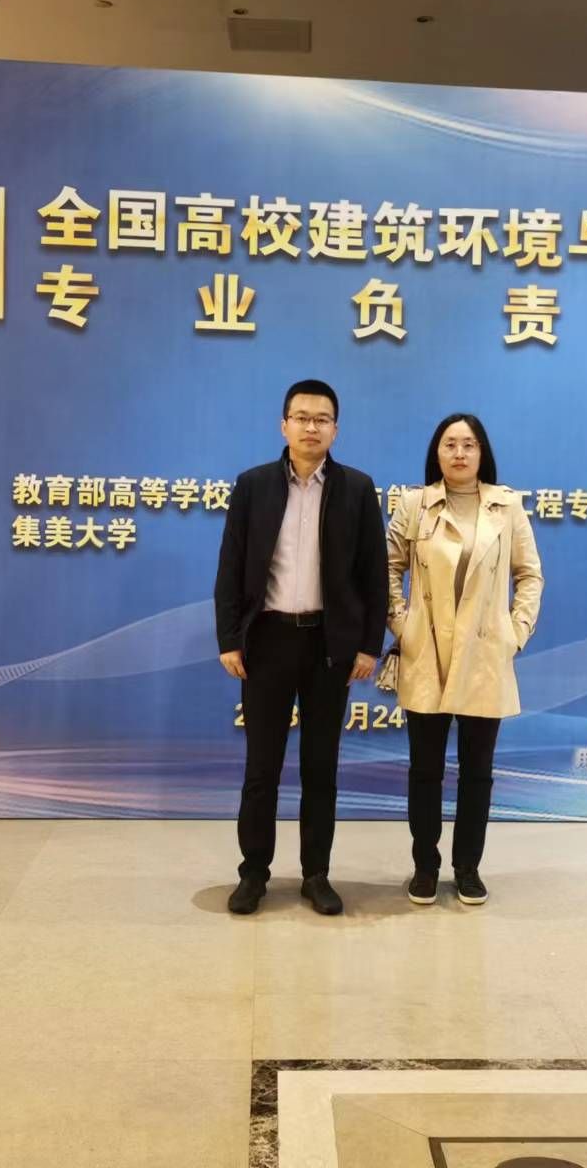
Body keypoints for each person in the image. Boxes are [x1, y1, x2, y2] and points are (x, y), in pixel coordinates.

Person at [214, 380, 388, 916]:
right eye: (302, 417)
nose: (312, 427)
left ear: (335, 429)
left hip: (328, 647)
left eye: (322, 419)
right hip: (267, 641)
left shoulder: (357, 489)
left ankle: (316, 874)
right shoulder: (253, 486)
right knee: (261, 768)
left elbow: (374, 575)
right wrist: (229, 638)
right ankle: (254, 873)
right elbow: (230, 566)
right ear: (284, 425)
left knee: (320, 767)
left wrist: (368, 645)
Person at [385, 413, 543, 907]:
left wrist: (514, 633)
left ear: (482, 452)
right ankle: (425, 867)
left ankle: (468, 868)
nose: (459, 453)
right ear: (436, 452)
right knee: (425, 770)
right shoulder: (414, 504)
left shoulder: (507, 506)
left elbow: (529, 575)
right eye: (450, 444)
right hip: (427, 651)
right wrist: (402, 624)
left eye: (468, 444)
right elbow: (387, 568)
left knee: (477, 771)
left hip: (484, 655)